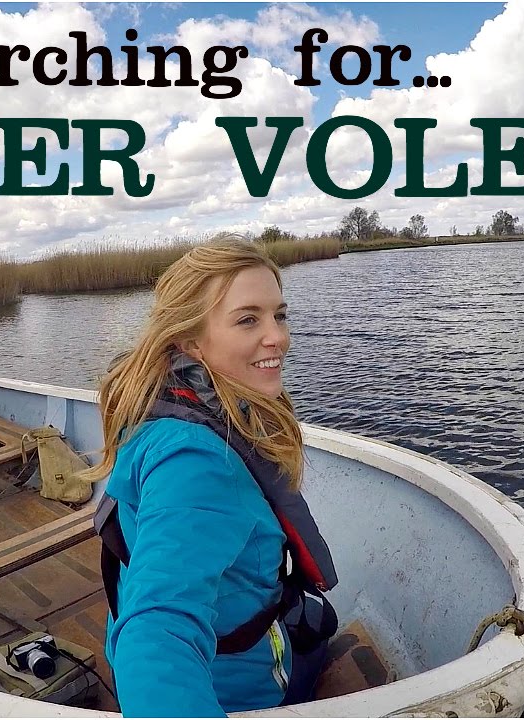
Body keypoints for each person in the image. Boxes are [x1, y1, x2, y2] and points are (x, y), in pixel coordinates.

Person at [87, 241, 337, 717]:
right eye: (248, 320)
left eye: (279, 315)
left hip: (198, 644)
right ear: (190, 341)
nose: (277, 337)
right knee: (323, 635)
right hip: (237, 690)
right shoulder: (201, 464)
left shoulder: (166, 404)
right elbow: (157, 633)